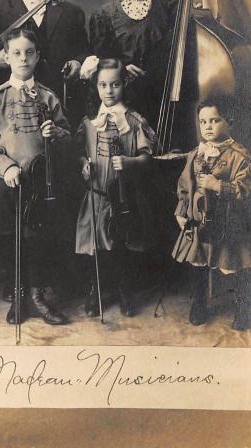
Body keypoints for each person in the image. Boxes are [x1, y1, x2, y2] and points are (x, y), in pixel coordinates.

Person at [0, 26, 72, 325]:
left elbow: (68, 135)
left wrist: (56, 133)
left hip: (41, 181)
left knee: (38, 240)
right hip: (7, 181)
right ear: (6, 57)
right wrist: (7, 167)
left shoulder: (48, 96)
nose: (23, 59)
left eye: (29, 53)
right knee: (12, 238)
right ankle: (18, 295)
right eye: (16, 53)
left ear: (37, 56)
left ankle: (36, 295)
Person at [84, 0, 219, 138]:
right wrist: (121, 69)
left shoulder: (170, 8)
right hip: (125, 111)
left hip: (166, 110)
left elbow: (209, 17)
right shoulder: (105, 15)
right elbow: (102, 66)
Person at [75, 58, 156, 317]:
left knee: (121, 247)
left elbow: (147, 157)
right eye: (103, 85)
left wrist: (129, 162)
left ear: (124, 86)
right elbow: (80, 152)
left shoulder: (133, 121)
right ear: (96, 87)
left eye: (115, 84)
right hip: (96, 196)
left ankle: (124, 292)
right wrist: (84, 165)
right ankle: (96, 290)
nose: (109, 91)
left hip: (123, 198)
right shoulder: (89, 121)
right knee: (95, 248)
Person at [172, 96, 251, 331]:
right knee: (198, 262)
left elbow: (246, 189)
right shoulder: (196, 154)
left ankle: (245, 309)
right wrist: (182, 210)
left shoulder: (239, 155)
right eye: (203, 122)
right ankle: (199, 304)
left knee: (236, 263)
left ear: (229, 122)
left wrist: (217, 185)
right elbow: (184, 185)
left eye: (214, 120)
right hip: (201, 221)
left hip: (229, 221)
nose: (208, 127)